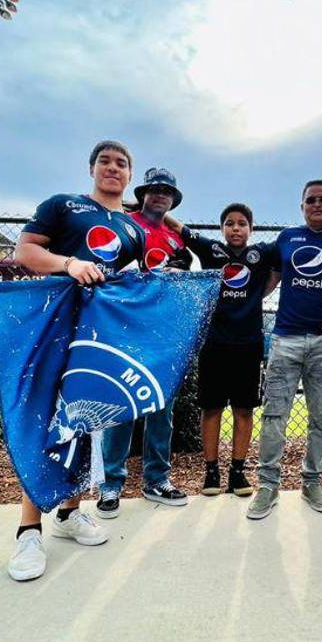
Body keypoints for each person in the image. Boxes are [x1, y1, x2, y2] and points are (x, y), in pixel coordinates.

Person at [8, 140, 144, 581]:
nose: (113, 168)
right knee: (45, 420)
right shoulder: (62, 205)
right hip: (53, 326)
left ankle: (69, 514)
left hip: (98, 335)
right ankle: (29, 530)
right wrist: (68, 263)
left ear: (129, 175)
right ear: (91, 169)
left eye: (121, 163)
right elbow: (25, 252)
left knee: (85, 419)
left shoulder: (134, 230)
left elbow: (129, 282)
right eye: (105, 161)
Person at [246, 180, 322, 520]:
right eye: (310, 200)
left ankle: (312, 482)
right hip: (285, 340)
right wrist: (242, 305)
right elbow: (268, 278)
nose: (317, 204)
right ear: (302, 206)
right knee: (274, 415)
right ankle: (267, 486)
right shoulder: (287, 238)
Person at [95, 167, 191, 518]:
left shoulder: (177, 239)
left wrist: (178, 274)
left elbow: (182, 286)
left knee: (162, 408)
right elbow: (104, 267)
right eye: (154, 189)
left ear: (173, 199)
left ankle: (157, 480)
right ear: (144, 194)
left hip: (162, 332)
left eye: (167, 191)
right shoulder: (122, 224)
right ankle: (110, 483)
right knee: (122, 405)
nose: (160, 195)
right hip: (124, 328)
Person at [165, 202, 276, 499]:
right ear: (221, 228)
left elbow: (292, 249)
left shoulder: (263, 253)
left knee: (244, 409)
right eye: (229, 223)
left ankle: (237, 472)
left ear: (251, 228)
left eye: (241, 223)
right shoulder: (211, 250)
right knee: (211, 408)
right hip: (214, 344)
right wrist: (147, 207)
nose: (235, 228)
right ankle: (211, 471)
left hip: (248, 345)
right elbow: (177, 228)